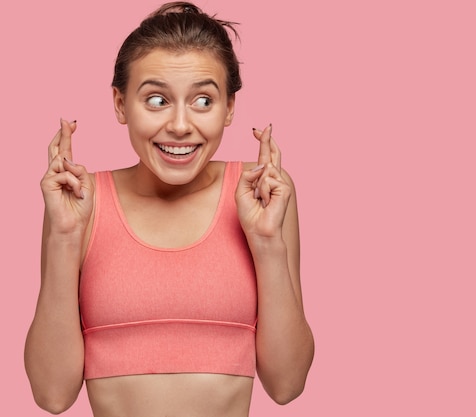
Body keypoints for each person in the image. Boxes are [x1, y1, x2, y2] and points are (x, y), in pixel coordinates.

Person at [24, 2, 314, 416]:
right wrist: (65, 237)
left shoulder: (259, 193)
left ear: (229, 107)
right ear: (121, 104)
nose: (180, 125)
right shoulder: (81, 202)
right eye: (157, 100)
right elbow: (52, 395)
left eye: (203, 101)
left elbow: (287, 384)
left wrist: (267, 242)